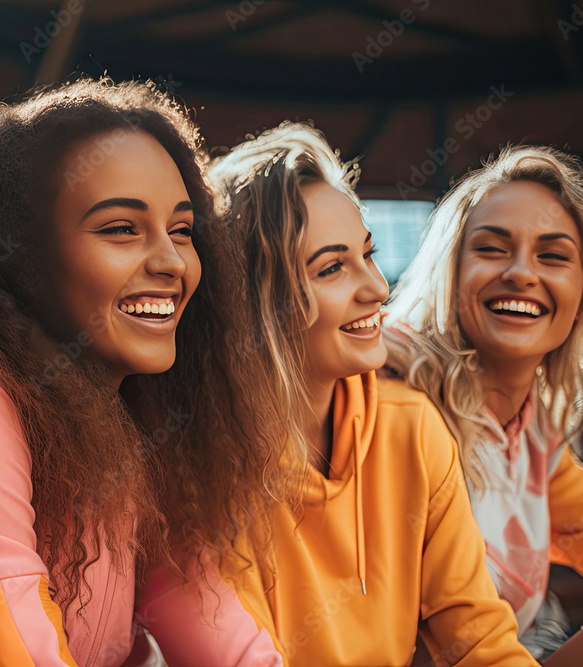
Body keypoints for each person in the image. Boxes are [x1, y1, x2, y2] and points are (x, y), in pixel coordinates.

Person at [136, 123, 538, 666]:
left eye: (367, 254)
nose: (376, 287)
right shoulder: (199, 471)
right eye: (332, 268)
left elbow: (480, 642)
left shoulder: (412, 429)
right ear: (254, 304)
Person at [0, 78, 213, 666]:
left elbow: (207, 617)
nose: (171, 261)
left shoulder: (132, 417)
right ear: (22, 255)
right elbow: (5, 643)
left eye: (182, 231)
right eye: (121, 228)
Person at [385, 144, 583, 665]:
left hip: (524, 651)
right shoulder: (391, 398)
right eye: (492, 248)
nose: (522, 273)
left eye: (553, 255)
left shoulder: (537, 433)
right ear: (450, 272)